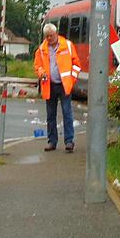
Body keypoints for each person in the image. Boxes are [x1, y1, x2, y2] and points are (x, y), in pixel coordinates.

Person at [34, 22, 81, 152]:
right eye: (47, 36)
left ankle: (69, 141)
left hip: (64, 85)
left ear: (56, 33)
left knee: (67, 113)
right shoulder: (42, 49)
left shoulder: (68, 45)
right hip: (49, 85)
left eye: (51, 35)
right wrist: (41, 73)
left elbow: (76, 64)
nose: (49, 38)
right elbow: (37, 66)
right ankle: (52, 142)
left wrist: (71, 80)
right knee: (50, 115)